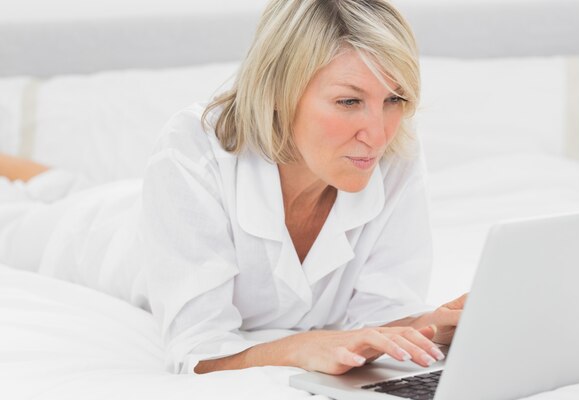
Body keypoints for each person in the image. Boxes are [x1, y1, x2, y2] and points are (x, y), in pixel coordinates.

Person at [0, 0, 466, 376]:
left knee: (68, 186)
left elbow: (378, 320)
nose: (378, 133)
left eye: (394, 100)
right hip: (104, 235)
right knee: (21, 214)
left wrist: (433, 325)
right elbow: (198, 352)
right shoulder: (193, 148)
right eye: (349, 101)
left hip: (139, 198)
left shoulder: (395, 152)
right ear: (281, 92)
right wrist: (301, 348)